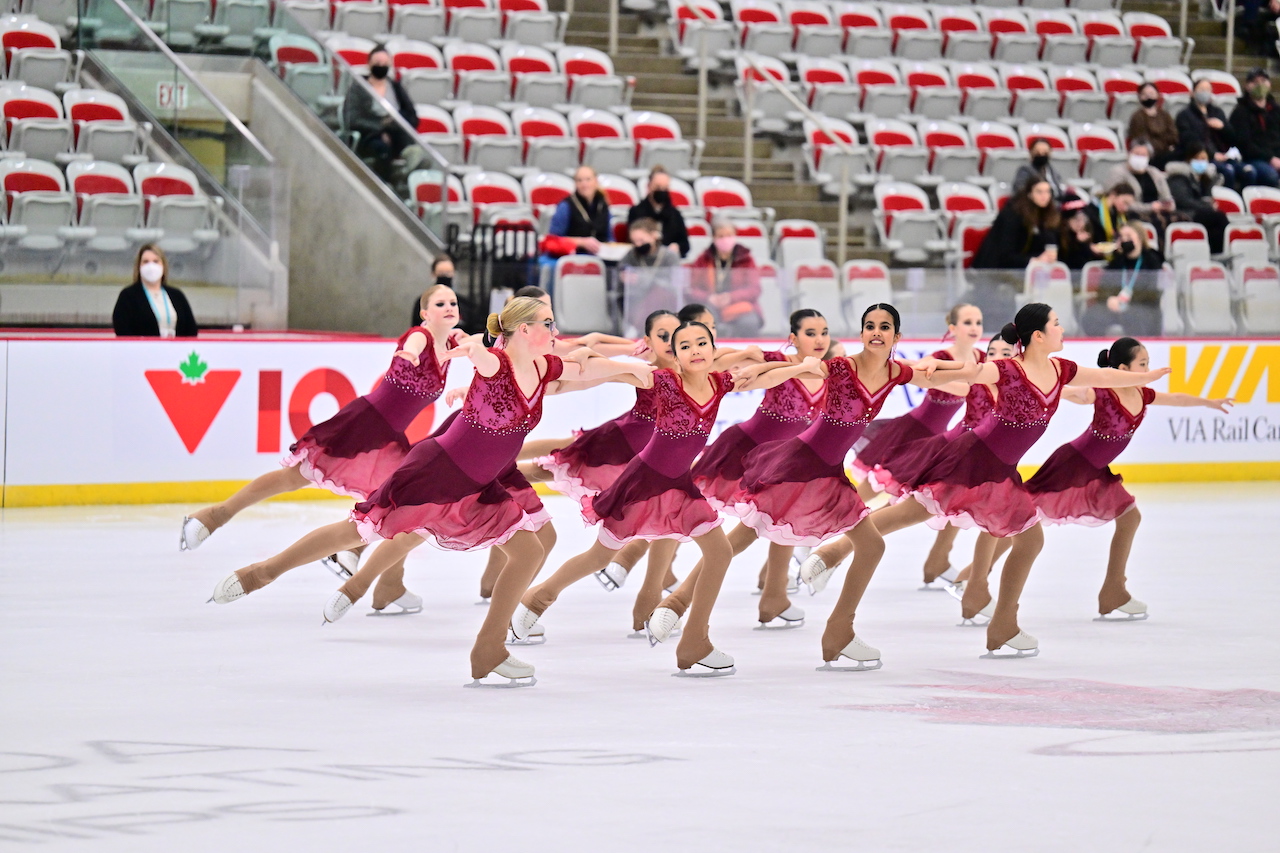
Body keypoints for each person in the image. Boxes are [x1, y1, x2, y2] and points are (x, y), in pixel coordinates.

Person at [210, 298, 650, 688]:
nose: (555, 333)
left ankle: (488, 650)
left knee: (529, 550)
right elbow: (480, 353)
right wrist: (471, 348)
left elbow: (586, 367)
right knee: (360, 531)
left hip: (481, 481)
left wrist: (635, 371)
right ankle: (262, 572)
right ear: (523, 331)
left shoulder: (545, 367)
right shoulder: (495, 363)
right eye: (548, 325)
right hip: (437, 470)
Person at [800, 303, 1171, 661]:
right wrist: (933, 365)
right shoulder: (1009, 370)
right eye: (1056, 323)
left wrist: (1144, 379)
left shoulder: (1062, 369)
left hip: (1000, 468)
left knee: (1001, 533)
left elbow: (1104, 376)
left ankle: (999, 622)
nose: (1062, 328)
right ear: (1038, 335)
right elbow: (970, 372)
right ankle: (999, 625)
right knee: (915, 515)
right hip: (973, 457)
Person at [511, 320, 826, 677]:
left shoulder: (718, 383)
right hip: (644, 481)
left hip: (679, 484)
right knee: (600, 554)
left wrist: (799, 368)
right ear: (675, 355)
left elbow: (758, 378)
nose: (695, 351)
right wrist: (585, 357)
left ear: (713, 349)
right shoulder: (664, 382)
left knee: (719, 552)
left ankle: (695, 642)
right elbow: (618, 372)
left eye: (702, 343)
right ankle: (537, 599)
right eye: (686, 346)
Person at [184, 283, 464, 611]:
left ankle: (388, 582)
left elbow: (478, 345)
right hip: (364, 423)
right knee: (294, 477)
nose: (448, 307)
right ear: (424, 312)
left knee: (403, 506)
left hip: (390, 438)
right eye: (440, 303)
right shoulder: (420, 336)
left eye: (453, 302)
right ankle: (216, 515)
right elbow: (412, 346)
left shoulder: (455, 341)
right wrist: (408, 355)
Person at [726, 303, 974, 671]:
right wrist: (754, 373)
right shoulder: (842, 366)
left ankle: (836, 631)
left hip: (827, 469)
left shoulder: (895, 372)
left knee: (869, 544)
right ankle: (677, 606)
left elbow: (943, 379)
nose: (876, 331)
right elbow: (795, 370)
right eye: (870, 325)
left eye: (885, 326)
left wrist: (977, 374)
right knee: (739, 540)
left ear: (897, 337)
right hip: (801, 461)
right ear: (861, 334)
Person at [1021, 338, 1233, 620]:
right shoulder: (1104, 392)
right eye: (1142, 364)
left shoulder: (1143, 394)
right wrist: (1034, 389)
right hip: (1072, 464)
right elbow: (1071, 393)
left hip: (1096, 471)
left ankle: (1113, 591)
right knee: (1022, 516)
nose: (1148, 369)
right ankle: (976, 576)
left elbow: (1177, 399)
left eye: (1148, 364)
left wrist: (1209, 403)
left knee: (1130, 517)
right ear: (1122, 368)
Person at [849, 303, 985, 590]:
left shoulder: (981, 359)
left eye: (978, 322)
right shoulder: (939, 358)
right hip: (913, 432)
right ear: (953, 328)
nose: (974, 327)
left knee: (938, 499)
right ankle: (829, 535)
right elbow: (933, 380)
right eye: (968, 322)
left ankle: (938, 559)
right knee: (870, 493)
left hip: (940, 441)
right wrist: (976, 384)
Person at [342, 46, 419, 181]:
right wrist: (380, 126)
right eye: (378, 63)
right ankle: (385, 186)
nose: (381, 66)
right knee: (382, 149)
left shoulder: (395, 87)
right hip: (369, 136)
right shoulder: (358, 88)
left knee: (420, 155)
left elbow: (412, 116)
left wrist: (393, 124)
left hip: (396, 133)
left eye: (385, 63)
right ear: (369, 64)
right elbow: (352, 118)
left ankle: (403, 173)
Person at [1081, 224, 1165, 337]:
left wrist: (1128, 301)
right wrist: (1109, 299)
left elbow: (1153, 292)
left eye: (1128, 236)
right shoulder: (1117, 262)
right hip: (1117, 306)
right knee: (1093, 315)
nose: (1125, 239)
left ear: (1139, 238)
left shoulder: (1152, 261)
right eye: (1122, 236)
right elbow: (1103, 288)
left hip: (1143, 307)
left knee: (1136, 317)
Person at [687, 218, 764, 336]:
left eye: (729, 235)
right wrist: (708, 297)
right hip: (710, 306)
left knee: (749, 323)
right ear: (713, 238)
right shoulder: (703, 260)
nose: (725, 239)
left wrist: (730, 297)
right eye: (721, 236)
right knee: (705, 320)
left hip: (739, 305)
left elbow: (754, 289)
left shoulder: (746, 260)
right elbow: (692, 289)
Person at [112, 244, 198, 338]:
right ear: (139, 267)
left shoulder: (177, 295)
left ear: (163, 266)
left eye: (156, 261)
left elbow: (191, 330)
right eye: (146, 262)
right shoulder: (128, 296)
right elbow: (122, 330)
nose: (151, 266)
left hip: (175, 351)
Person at [972, 179, 1060, 269]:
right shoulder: (1012, 214)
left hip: (1026, 269)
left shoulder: (1048, 214)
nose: (1044, 196)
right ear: (1029, 194)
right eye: (1039, 192)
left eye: (1047, 192)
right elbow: (1004, 255)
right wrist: (1033, 261)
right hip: (994, 269)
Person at [1166, 144, 1230, 253]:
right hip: (1185, 213)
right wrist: (1207, 206)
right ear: (1189, 159)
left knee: (1216, 229)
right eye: (1197, 158)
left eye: (1204, 159)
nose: (1201, 162)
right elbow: (1183, 201)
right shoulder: (1178, 177)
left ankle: (1214, 253)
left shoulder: (1204, 179)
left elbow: (1207, 197)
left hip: (1198, 212)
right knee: (1219, 217)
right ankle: (1222, 251)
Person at [1177, 78, 1239, 190]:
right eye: (1201, 89)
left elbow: (1232, 138)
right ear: (1192, 93)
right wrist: (1212, 155)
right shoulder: (1184, 115)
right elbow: (1188, 140)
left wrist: (1223, 127)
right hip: (1202, 157)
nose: (1205, 92)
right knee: (1228, 172)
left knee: (1248, 171)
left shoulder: (1217, 112)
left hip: (1223, 155)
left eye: (1207, 89)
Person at [1106, 140, 1177, 232]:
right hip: (1133, 213)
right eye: (1137, 154)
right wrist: (1150, 207)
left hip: (1158, 211)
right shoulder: (1118, 172)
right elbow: (1119, 203)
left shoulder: (1154, 173)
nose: (1140, 158)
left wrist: (1168, 205)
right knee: (1156, 223)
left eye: (1143, 155)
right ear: (1129, 153)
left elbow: (1167, 197)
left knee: (1181, 219)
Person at [1228, 68, 1280, 188]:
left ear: (1269, 85)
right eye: (1255, 82)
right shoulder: (1240, 112)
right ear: (1247, 86)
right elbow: (1244, 144)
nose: (1260, 85)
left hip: (1276, 156)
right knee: (1270, 176)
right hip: (1253, 158)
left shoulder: (1276, 110)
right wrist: (1270, 158)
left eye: (1263, 80)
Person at [627, 166, 690, 258]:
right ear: (649, 186)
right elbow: (631, 241)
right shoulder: (636, 212)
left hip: (668, 261)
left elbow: (685, 244)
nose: (661, 191)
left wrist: (677, 246)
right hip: (643, 260)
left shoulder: (675, 214)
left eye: (665, 188)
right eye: (657, 187)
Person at [1126, 84, 1179, 169]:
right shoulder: (1137, 117)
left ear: (1158, 95)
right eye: (1145, 94)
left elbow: (1173, 136)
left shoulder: (1165, 115)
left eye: (1151, 93)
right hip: (1150, 154)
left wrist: (1163, 142)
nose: (1148, 97)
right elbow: (1141, 139)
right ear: (1139, 97)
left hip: (1166, 152)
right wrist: (1163, 143)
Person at [1058, 192, 1108, 270]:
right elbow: (1071, 265)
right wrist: (1082, 245)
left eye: (1083, 218)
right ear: (1066, 221)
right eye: (1075, 219)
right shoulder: (1060, 236)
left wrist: (1096, 252)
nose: (1080, 223)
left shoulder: (1093, 229)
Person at [1085, 183, 1135, 250]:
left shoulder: (1120, 216)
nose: (1126, 208)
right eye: (1125, 202)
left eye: (1128, 205)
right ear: (1113, 195)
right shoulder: (1092, 211)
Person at [409, 254, 455, 326]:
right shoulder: (423, 302)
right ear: (433, 274)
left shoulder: (464, 304)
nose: (445, 276)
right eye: (441, 273)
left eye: (448, 272)